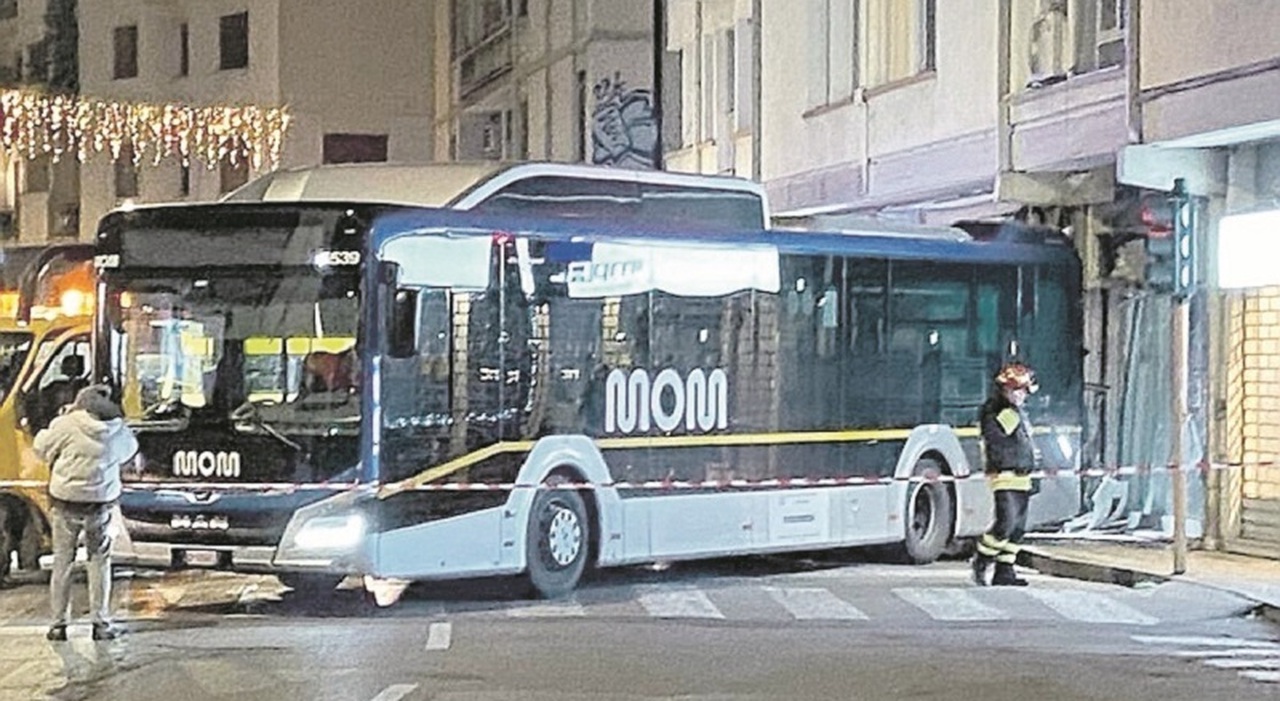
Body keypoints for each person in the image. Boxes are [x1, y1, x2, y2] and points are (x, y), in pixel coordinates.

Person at [33, 385, 138, 641]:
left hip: (65, 501)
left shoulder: (65, 424)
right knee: (99, 562)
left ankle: (58, 624)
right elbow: (129, 452)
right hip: (100, 503)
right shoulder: (117, 430)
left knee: (63, 562)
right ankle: (100, 623)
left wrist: (63, 418)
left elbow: (41, 448)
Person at [971, 362, 1039, 587]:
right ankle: (982, 560)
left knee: (1017, 529)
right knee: (1005, 524)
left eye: (1024, 392)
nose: (1022, 396)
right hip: (1005, 476)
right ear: (1005, 389)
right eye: (1018, 391)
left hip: (1023, 477)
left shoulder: (1017, 412)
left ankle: (1005, 571)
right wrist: (1011, 417)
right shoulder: (996, 411)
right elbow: (996, 439)